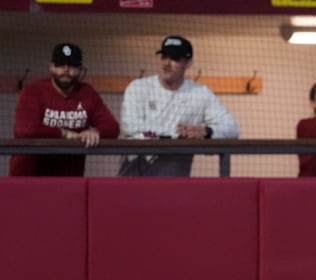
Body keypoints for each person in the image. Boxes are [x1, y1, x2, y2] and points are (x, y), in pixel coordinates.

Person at [118, 35, 240, 176]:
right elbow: (130, 126)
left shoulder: (200, 93)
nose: (167, 63)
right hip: (133, 182)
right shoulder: (139, 87)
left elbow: (232, 128)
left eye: (175, 58)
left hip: (175, 186)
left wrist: (205, 132)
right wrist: (176, 133)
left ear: (188, 63)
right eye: (164, 56)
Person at [10, 42, 119, 176]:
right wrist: (64, 133)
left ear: (80, 69)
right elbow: (25, 129)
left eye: (72, 65)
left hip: (69, 179)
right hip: (28, 177)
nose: (66, 69)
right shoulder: (33, 91)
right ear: (51, 67)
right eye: (60, 64)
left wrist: (95, 131)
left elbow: (112, 127)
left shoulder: (87, 93)